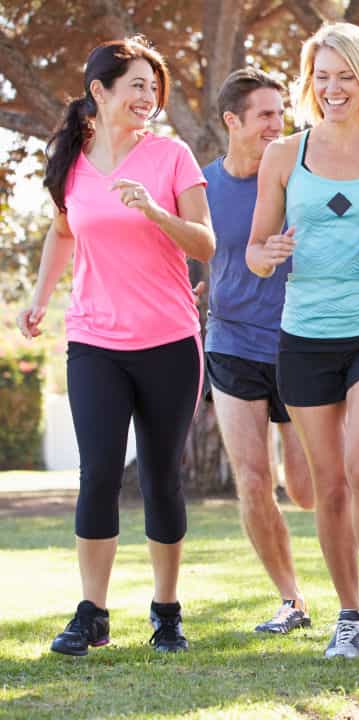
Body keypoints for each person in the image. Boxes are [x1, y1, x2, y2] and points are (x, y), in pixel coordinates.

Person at [18, 37, 215, 655]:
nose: (147, 97)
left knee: (160, 478)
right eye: (135, 85)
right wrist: (40, 296)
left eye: (153, 87)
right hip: (94, 340)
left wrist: (155, 211)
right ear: (99, 92)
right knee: (98, 472)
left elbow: (206, 244)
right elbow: (61, 231)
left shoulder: (172, 157)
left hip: (169, 341)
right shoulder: (71, 163)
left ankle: (166, 611)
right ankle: (92, 613)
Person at [245, 22, 359, 659]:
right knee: (327, 485)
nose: (332, 88)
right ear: (309, 82)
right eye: (321, 77)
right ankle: (348, 615)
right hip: (305, 336)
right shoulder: (282, 156)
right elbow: (255, 254)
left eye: (344, 76)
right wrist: (268, 253)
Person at [204, 67, 315, 635]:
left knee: (306, 489)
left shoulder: (300, 180)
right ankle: (291, 600)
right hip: (230, 345)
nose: (279, 124)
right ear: (233, 121)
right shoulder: (202, 187)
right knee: (252, 479)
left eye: (281, 113)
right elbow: (197, 254)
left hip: (299, 344)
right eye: (266, 115)